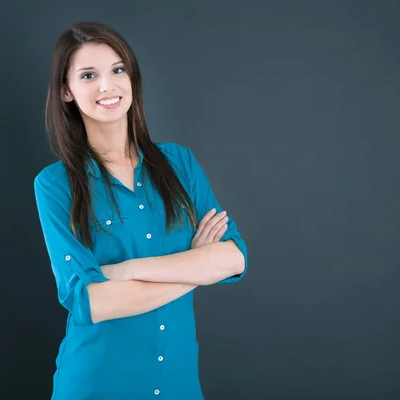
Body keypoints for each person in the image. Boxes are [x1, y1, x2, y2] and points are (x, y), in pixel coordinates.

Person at [33, 21, 248, 400]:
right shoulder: (55, 185)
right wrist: (196, 266)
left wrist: (131, 271)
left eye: (118, 69)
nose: (108, 85)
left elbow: (234, 258)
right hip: (96, 385)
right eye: (88, 75)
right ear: (66, 91)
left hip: (180, 387)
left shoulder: (179, 163)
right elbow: (90, 302)